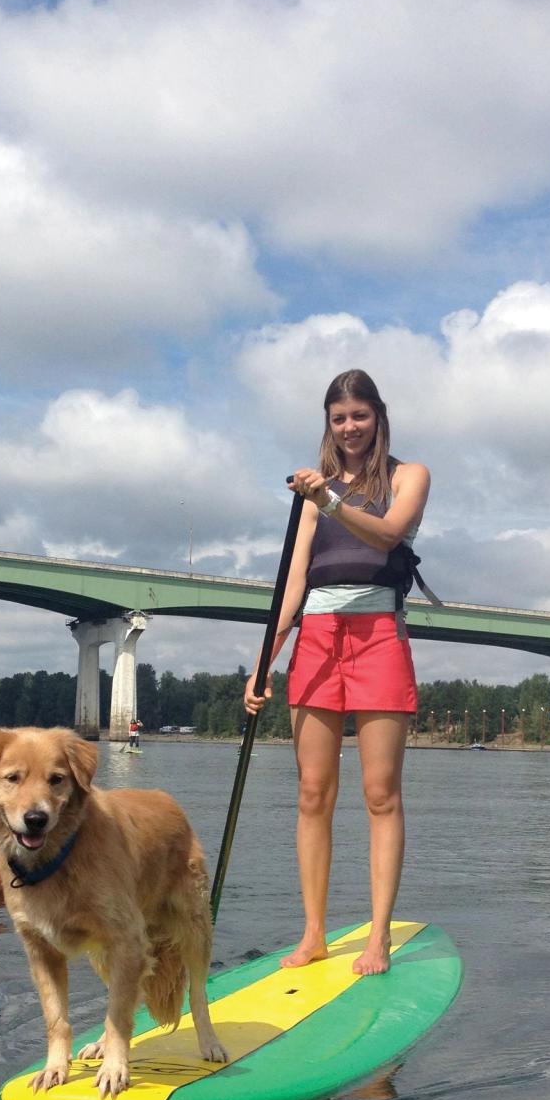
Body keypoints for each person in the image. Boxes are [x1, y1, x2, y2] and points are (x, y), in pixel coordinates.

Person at [245, 369, 430, 976]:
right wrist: (263, 663)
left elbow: (388, 535)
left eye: (360, 415)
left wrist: (328, 499)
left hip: (379, 635)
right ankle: (314, 933)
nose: (350, 427)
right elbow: (294, 584)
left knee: (381, 793)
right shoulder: (313, 495)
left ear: (378, 416)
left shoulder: (408, 476)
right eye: (339, 418)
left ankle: (377, 937)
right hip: (318, 637)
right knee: (312, 793)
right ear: (329, 423)